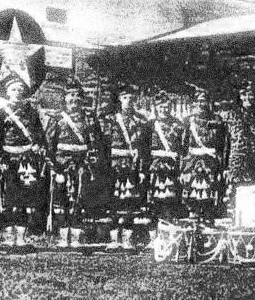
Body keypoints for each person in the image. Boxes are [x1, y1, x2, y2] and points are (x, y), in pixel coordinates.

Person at [45, 80, 103, 248]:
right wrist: (53, 167)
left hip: (82, 165)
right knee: (61, 201)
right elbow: (49, 145)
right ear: (64, 98)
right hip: (61, 164)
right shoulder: (57, 119)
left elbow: (96, 143)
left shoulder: (90, 119)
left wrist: (92, 161)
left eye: (78, 95)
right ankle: (63, 238)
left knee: (79, 200)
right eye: (71, 95)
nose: (74, 99)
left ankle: (77, 238)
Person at [0, 77, 47, 247]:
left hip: (27, 160)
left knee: (25, 200)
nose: (17, 93)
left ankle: (21, 238)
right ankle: (9, 238)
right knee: (9, 200)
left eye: (20, 89)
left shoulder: (31, 112)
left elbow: (39, 134)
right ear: (7, 92)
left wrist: (38, 145)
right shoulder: (0, 113)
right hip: (8, 159)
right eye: (13, 90)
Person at [103, 86, 150, 250]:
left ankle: (128, 240)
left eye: (131, 98)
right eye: (124, 98)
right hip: (114, 165)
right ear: (119, 100)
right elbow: (104, 145)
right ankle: (114, 239)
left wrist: (143, 170)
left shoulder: (141, 121)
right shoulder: (110, 120)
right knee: (113, 201)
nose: (128, 101)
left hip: (133, 166)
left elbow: (144, 149)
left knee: (130, 203)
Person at [225, 82, 255, 224]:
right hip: (237, 161)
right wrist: (225, 165)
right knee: (236, 191)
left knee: (254, 190)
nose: (248, 98)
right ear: (240, 96)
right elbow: (227, 142)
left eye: (250, 94)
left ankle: (253, 220)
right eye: (244, 94)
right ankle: (237, 221)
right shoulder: (232, 115)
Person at [147, 91, 186, 231]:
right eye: (161, 106)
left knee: (171, 196)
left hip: (172, 165)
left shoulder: (178, 124)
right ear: (156, 107)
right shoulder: (150, 125)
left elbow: (182, 148)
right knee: (155, 197)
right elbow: (145, 147)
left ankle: (169, 227)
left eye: (167, 106)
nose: (164, 109)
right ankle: (155, 230)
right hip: (156, 165)